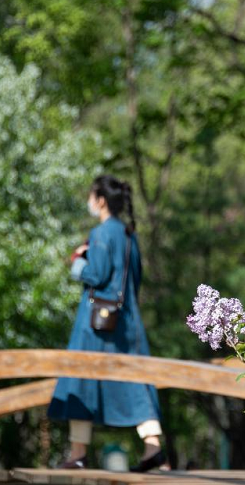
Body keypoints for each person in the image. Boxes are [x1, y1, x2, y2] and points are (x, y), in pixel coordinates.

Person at [46, 174, 168, 472]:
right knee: (136, 381)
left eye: (91, 195)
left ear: (100, 200)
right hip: (127, 323)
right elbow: (135, 279)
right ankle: (153, 449)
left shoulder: (100, 234)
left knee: (80, 378)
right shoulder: (129, 235)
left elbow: (97, 275)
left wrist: (78, 263)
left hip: (95, 326)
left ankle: (77, 453)